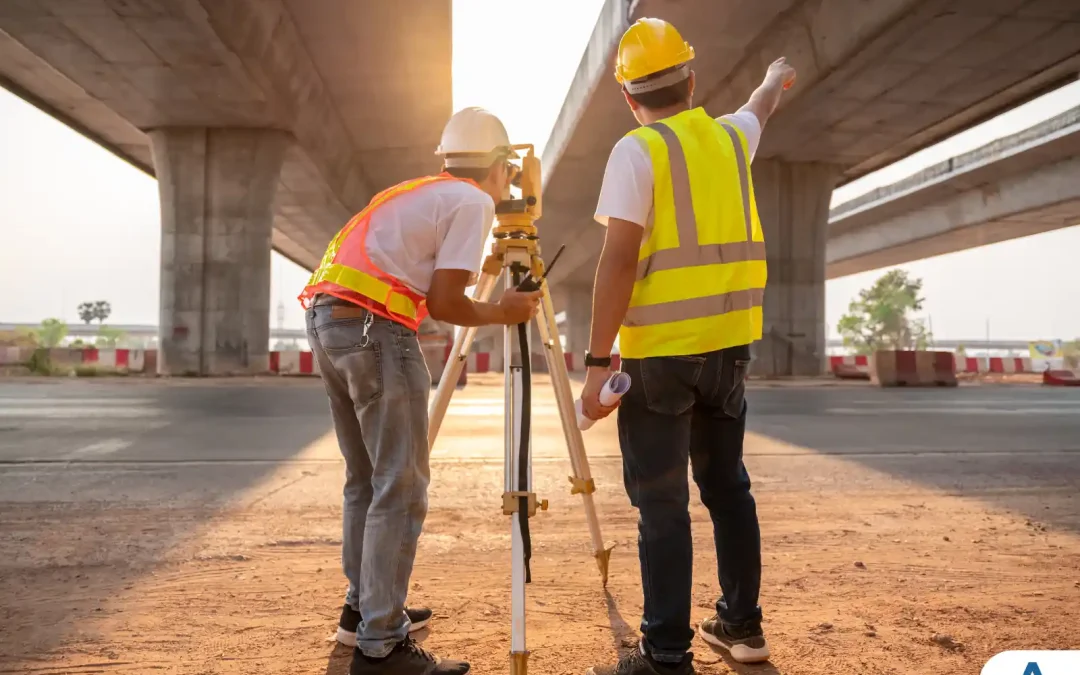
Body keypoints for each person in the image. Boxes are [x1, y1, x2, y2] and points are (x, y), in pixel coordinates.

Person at [578, 17, 797, 675]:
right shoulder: (729, 139)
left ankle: (666, 652)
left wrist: (594, 364)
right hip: (729, 351)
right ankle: (742, 626)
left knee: (663, 500)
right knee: (728, 487)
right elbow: (759, 107)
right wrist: (770, 78)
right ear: (692, 79)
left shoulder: (637, 150)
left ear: (627, 95)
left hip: (660, 357)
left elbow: (617, 262)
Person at [299, 106, 542, 675]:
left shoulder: (417, 192)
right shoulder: (474, 201)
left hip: (329, 323)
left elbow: (424, 273)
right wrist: (504, 311)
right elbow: (446, 304)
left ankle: (363, 611)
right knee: (401, 487)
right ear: (500, 164)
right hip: (376, 331)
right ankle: (382, 645)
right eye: (508, 169)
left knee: (366, 480)